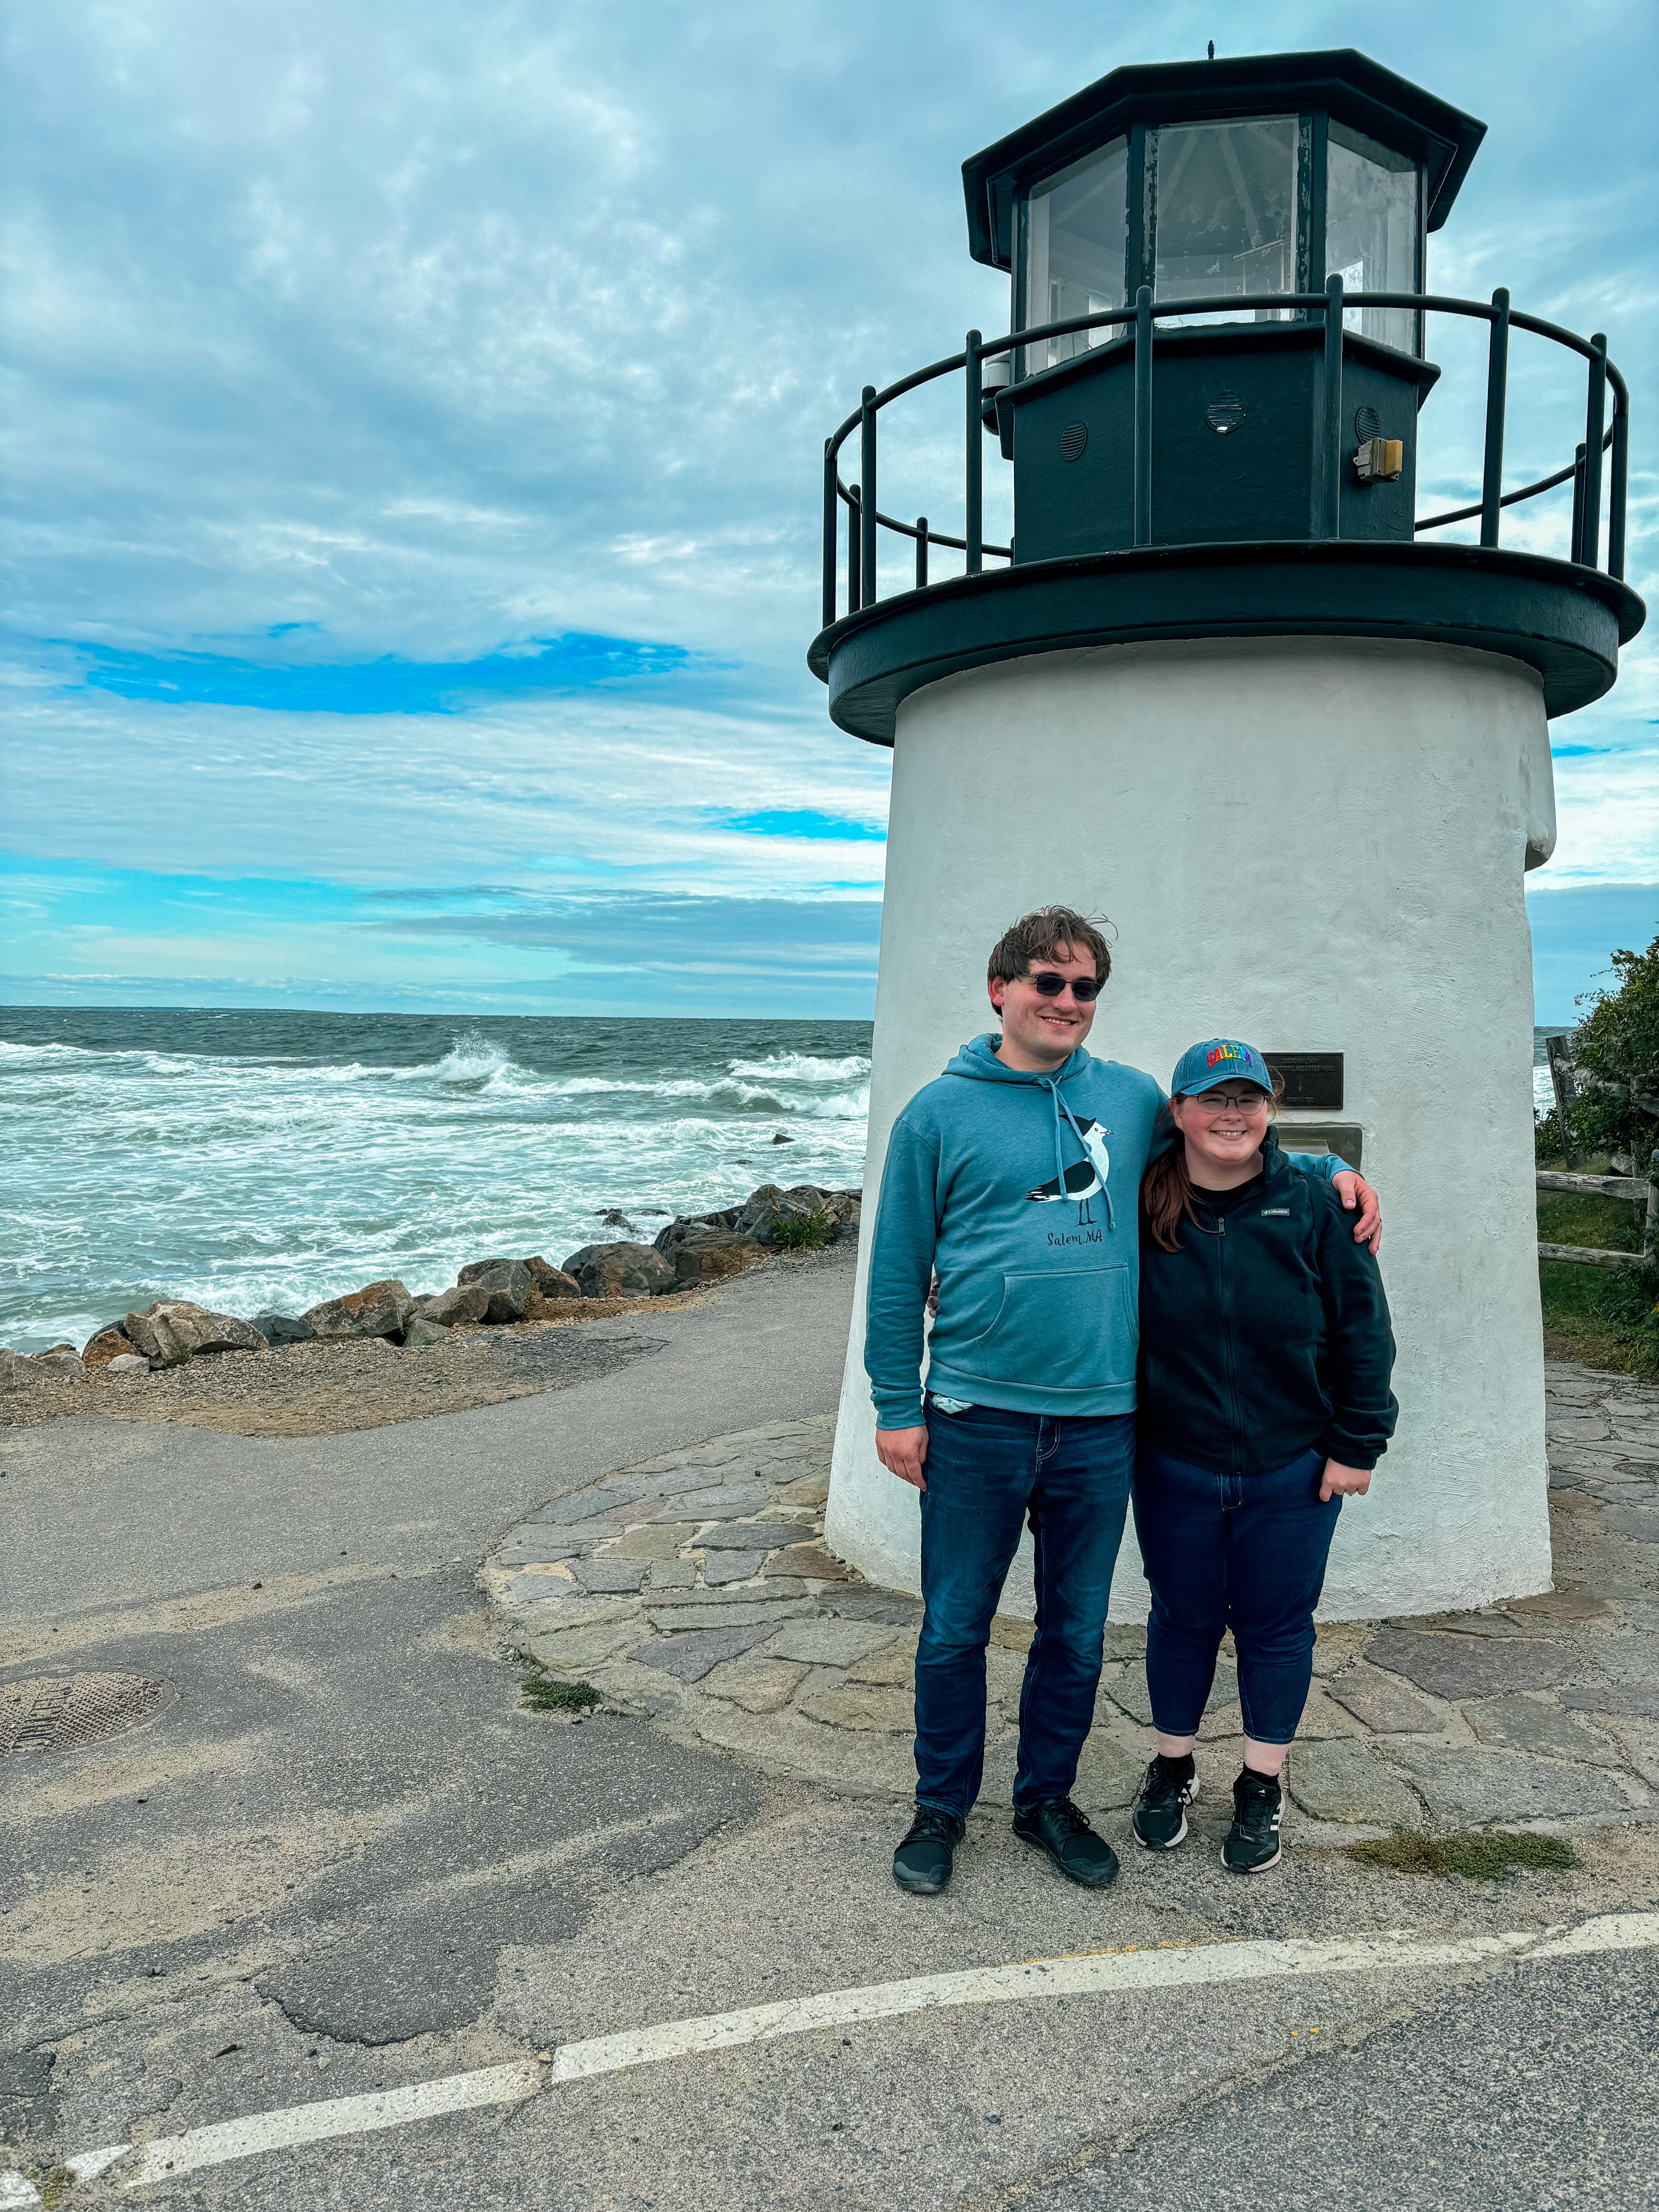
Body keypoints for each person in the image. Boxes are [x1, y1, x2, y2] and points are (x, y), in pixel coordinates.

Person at [867, 908, 1381, 1897]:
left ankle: (1045, 1801)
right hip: (975, 1415)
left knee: (1076, 1630)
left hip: (1105, 1425)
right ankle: (940, 1808)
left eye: (1084, 987)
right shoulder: (936, 1115)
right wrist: (899, 1403)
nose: (1066, 1002)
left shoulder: (1133, 1096)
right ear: (1000, 990)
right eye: (1046, 983)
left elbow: (1227, 1144)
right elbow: (898, 1274)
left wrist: (1327, 1169)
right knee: (953, 1627)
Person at [1128, 1039, 1397, 1875]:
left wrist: (1358, 1445)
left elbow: (1364, 1333)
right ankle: (1172, 1766)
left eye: (1248, 1099)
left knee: (1277, 1629)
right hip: (1174, 1461)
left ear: (1270, 1112)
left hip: (1292, 1466)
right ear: (1180, 1114)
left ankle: (1260, 1783)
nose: (1232, 1115)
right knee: (1182, 1621)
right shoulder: (1143, 1202)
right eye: (1213, 1100)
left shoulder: (1318, 1204)